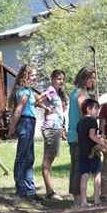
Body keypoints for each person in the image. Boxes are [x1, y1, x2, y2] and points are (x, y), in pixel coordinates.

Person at [7, 65, 41, 201]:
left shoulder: (28, 91)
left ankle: (30, 189)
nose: (35, 78)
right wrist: (12, 128)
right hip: (25, 123)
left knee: (30, 157)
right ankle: (21, 189)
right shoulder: (25, 92)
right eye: (33, 75)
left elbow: (33, 104)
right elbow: (18, 110)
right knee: (22, 157)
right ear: (26, 76)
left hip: (30, 123)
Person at [67, 67, 97, 205]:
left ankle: (78, 197)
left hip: (76, 135)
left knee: (76, 166)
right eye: (91, 77)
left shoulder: (79, 93)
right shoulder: (80, 94)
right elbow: (84, 114)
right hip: (79, 136)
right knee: (79, 167)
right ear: (84, 78)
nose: (93, 80)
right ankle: (78, 198)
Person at [39, 69, 68, 201]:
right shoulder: (50, 90)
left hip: (56, 127)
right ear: (52, 79)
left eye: (62, 79)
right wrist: (46, 108)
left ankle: (50, 190)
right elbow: (38, 100)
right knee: (48, 159)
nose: (61, 81)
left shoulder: (58, 92)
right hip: (50, 127)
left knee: (51, 158)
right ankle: (50, 192)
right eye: (58, 79)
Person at [77, 99, 107, 207]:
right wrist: (102, 143)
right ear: (88, 109)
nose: (97, 112)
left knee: (84, 175)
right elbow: (92, 135)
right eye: (96, 110)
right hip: (92, 150)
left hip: (82, 151)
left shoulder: (80, 121)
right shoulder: (92, 121)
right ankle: (96, 198)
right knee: (97, 174)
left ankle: (83, 201)